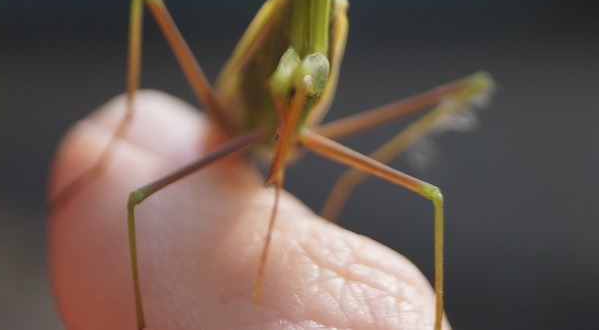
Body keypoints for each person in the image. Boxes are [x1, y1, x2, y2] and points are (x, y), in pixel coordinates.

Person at [49, 90, 444, 330]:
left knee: (431, 193)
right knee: (138, 197)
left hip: (269, 135)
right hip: (229, 126)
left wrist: (350, 177)